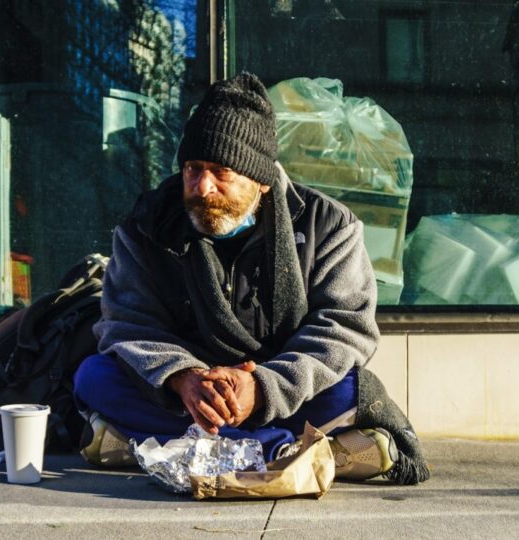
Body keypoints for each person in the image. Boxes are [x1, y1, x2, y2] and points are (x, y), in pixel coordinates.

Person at [73, 72, 429, 484]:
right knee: (94, 377)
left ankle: (153, 445)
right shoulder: (147, 225)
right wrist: (182, 378)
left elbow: (344, 329)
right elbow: (126, 323)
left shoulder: (328, 225)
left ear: (260, 180)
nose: (202, 187)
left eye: (221, 171)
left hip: (280, 389)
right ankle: (285, 449)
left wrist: (261, 388)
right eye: (193, 168)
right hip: (185, 397)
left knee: (352, 388)